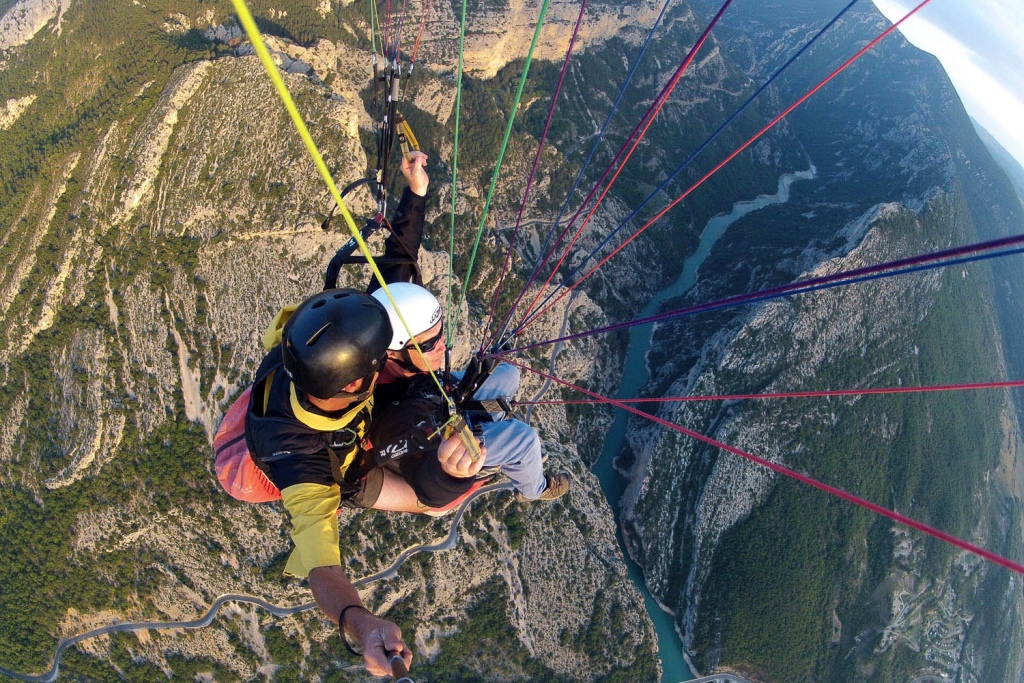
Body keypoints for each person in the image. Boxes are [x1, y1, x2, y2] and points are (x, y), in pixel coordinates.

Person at [371, 282, 571, 502]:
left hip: (437, 392)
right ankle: (534, 490)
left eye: (440, 333)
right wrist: (449, 475)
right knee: (524, 440)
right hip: (442, 440)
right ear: (391, 354)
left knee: (509, 374)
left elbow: (395, 277)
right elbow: (426, 485)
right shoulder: (393, 419)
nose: (441, 346)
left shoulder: (400, 355)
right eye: (428, 344)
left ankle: (492, 420)